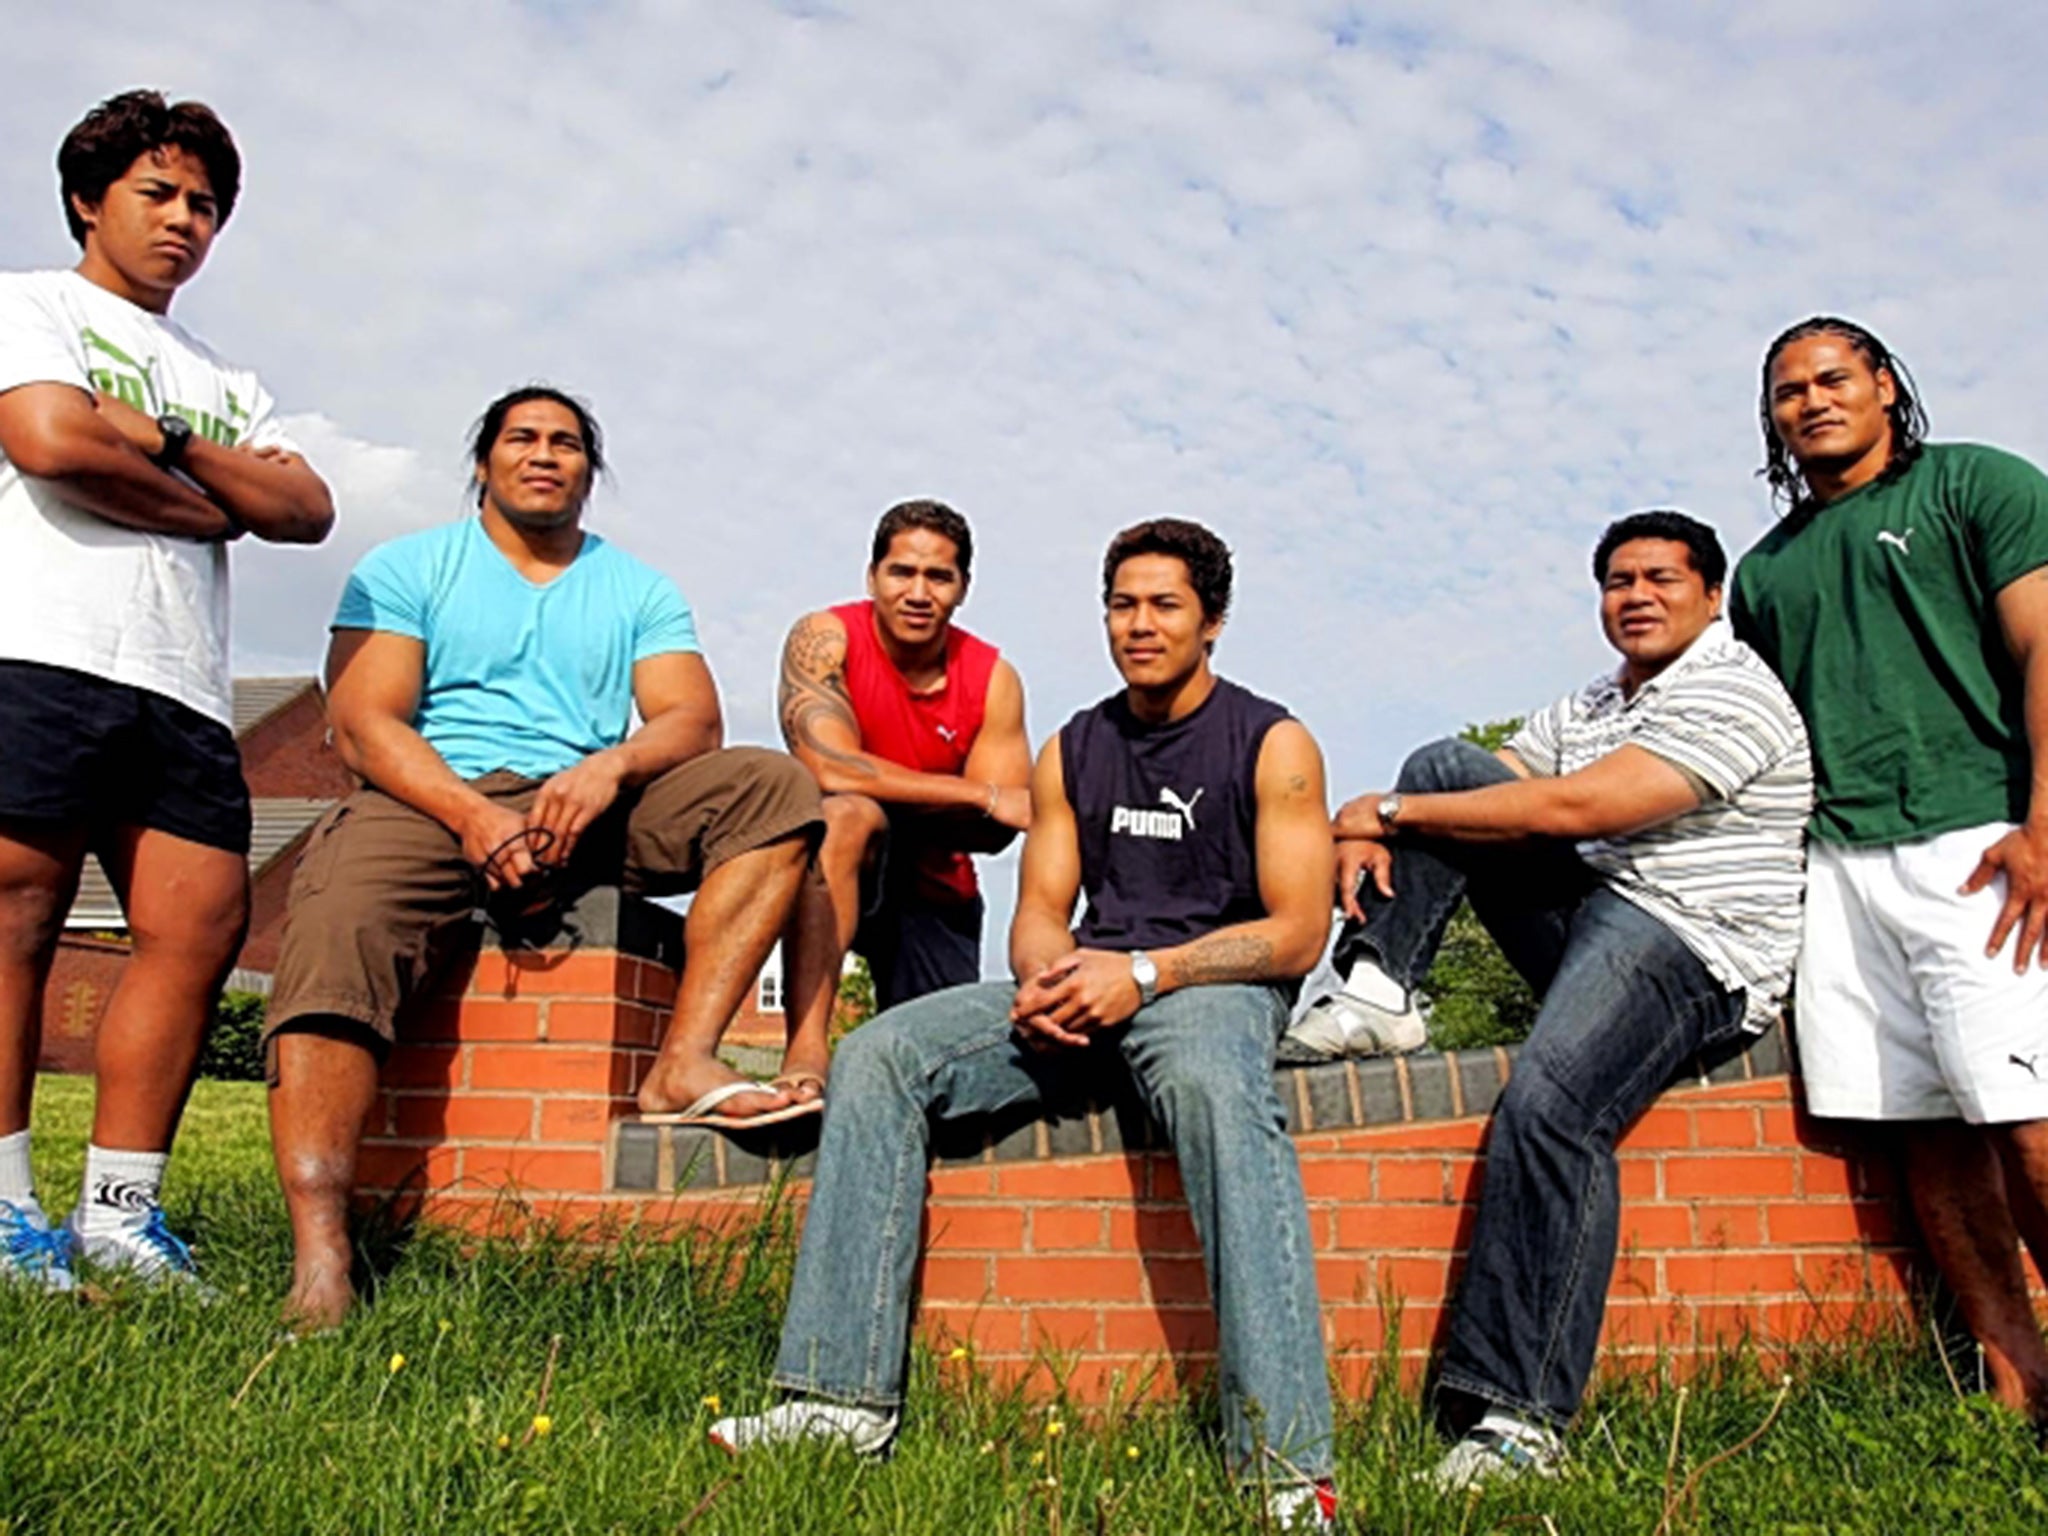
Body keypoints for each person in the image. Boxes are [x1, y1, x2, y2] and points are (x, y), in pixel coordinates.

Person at [713, 519, 1342, 1530]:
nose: (1138, 625)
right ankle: (837, 1401)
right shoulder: (1075, 748)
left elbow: (1296, 931)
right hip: (1087, 982)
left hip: (1207, 987)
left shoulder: (1271, 742)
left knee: (1218, 1097)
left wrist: (1142, 974)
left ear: (1211, 621)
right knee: (879, 1055)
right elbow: (1041, 907)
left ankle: (1282, 1465)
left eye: (1163, 605)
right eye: (1121, 604)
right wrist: (1050, 977)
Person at [263, 386, 823, 1329]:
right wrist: (472, 814)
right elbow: (363, 723)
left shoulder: (636, 587)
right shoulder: (409, 567)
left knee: (774, 789)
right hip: (431, 795)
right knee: (337, 922)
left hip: (585, 805)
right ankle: (322, 1253)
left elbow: (691, 717)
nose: (544, 455)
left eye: (567, 444)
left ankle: (682, 1062)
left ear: (588, 473)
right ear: (483, 461)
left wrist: (610, 767)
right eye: (522, 438)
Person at [1298, 512, 1810, 1487]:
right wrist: (1372, 824)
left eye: (1660, 578)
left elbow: (1582, 809)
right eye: (1617, 581)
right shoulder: (1593, 703)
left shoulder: (1731, 689)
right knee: (1447, 764)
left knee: (1550, 1109)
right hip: (1594, 919)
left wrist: (1381, 814)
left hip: (1690, 944)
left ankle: (1517, 1418)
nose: (1636, 596)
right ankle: (1376, 989)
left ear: (1709, 595)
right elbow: (1498, 786)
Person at [0, 90, 335, 1291]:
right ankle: (3, 1214)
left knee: (195, 932)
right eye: (157, 193)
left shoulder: (221, 381)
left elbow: (302, 511)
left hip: (182, 690)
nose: (183, 219)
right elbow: (49, 441)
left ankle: (119, 1218)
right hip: (38, 649)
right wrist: (214, 505)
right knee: (20, 917)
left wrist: (176, 446)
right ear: (90, 199)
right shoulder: (29, 304)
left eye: (204, 203)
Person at [1732, 316, 2048, 1433]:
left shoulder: (1978, 484)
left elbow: (2040, 647)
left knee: (2024, 1116)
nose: (1809, 401)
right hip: (1837, 870)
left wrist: (2040, 824)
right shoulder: (1761, 573)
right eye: (1785, 391)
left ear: (1881, 385)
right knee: (1924, 1126)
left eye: (1830, 379)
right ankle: (2016, 1382)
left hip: (1975, 845)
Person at [772, 500, 1031, 1106]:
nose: (918, 592)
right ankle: (804, 1053)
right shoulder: (825, 636)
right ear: (872, 577)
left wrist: (976, 805)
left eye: (938, 577)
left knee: (938, 1082)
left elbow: (997, 833)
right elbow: (828, 766)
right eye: (901, 572)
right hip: (839, 861)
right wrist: (977, 793)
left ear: (962, 588)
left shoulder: (993, 677)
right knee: (848, 815)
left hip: (938, 888)